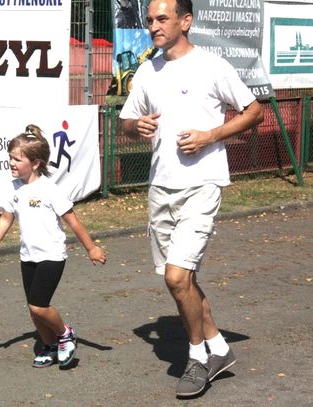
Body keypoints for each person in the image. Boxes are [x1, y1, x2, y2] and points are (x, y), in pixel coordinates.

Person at [119, 0, 264, 398]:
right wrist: (138, 126)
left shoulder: (212, 66)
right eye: (149, 20)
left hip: (202, 184)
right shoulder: (149, 69)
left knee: (177, 276)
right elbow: (127, 121)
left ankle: (197, 358)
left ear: (186, 21)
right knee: (183, 281)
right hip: (160, 186)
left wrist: (209, 135)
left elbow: (254, 112)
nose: (153, 26)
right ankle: (218, 347)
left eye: (162, 19)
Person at [0, 124, 106, 369]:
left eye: (17, 159)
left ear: (35, 163)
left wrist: (91, 248)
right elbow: (6, 218)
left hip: (52, 255)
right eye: (10, 158)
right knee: (33, 309)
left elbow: (72, 221)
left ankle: (65, 333)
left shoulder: (49, 190)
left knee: (39, 305)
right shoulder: (13, 188)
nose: (11, 163)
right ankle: (48, 346)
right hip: (28, 256)